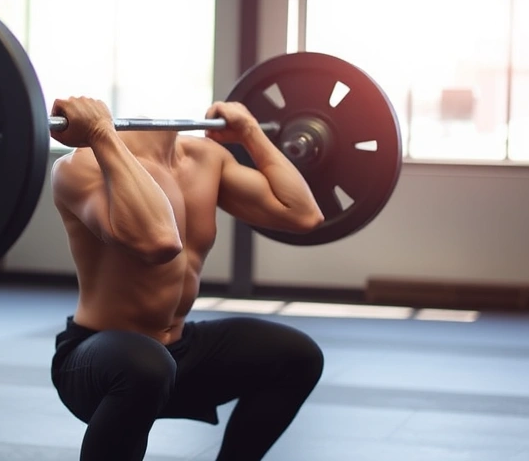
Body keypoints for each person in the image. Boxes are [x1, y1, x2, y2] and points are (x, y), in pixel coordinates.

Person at [48, 96, 327, 461]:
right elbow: (159, 242)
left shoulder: (206, 159)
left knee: (297, 356)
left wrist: (250, 133)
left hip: (177, 354)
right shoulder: (82, 166)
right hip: (98, 365)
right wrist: (101, 132)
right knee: (146, 365)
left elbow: (303, 215)